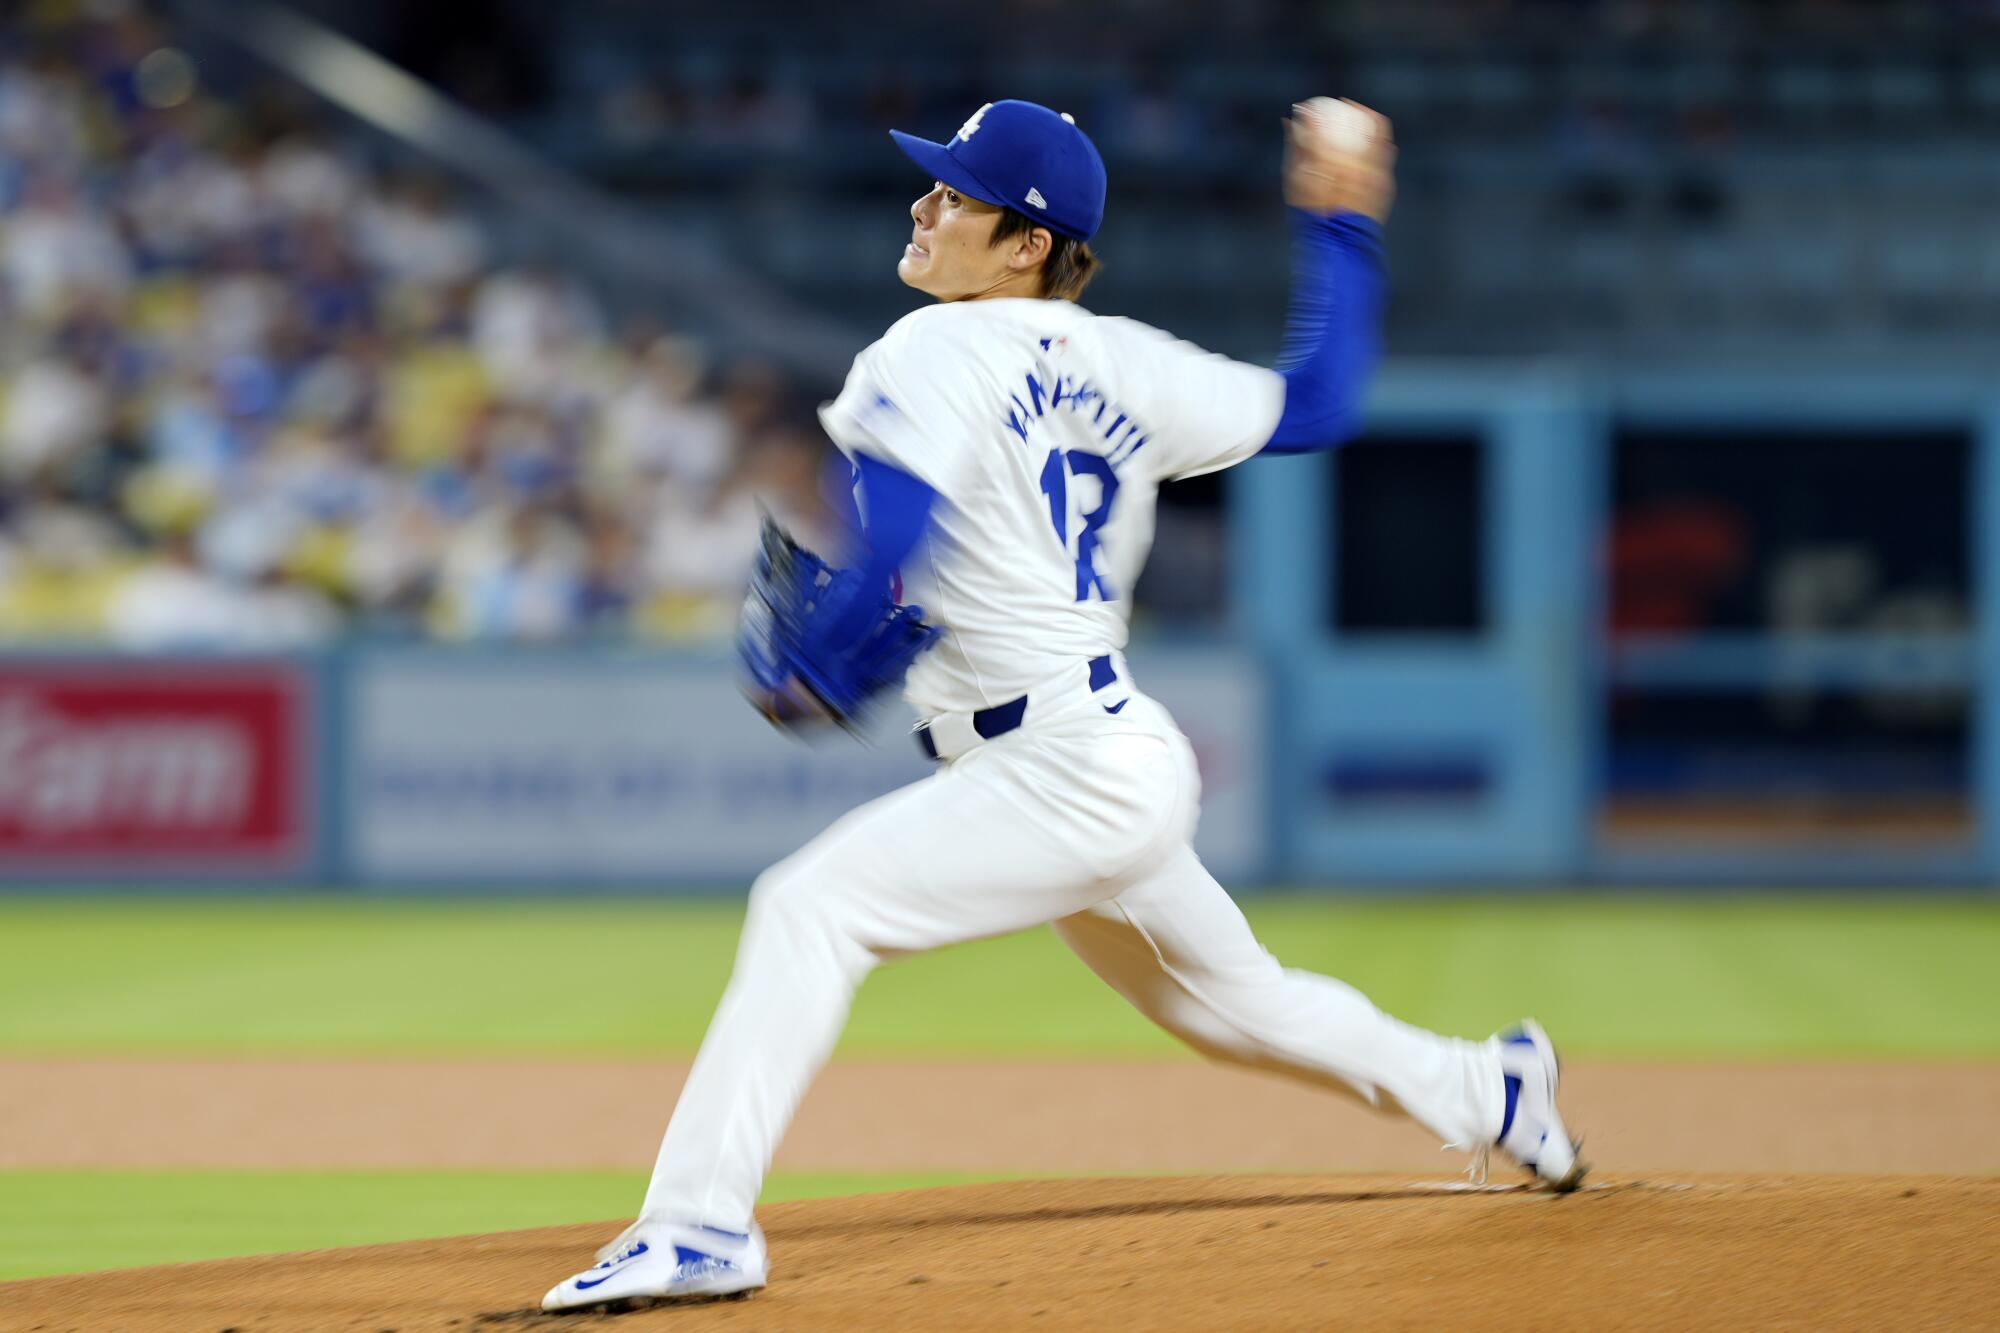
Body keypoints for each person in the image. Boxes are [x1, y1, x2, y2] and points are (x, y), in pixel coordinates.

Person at [541, 96, 1585, 1314]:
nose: (923, 205)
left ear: (1025, 242)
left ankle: (697, 1224)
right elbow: (1320, 402)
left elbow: (892, 539)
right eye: (928, 185)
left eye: (953, 193)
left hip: (1059, 767)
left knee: (806, 906)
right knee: (1234, 1007)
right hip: (1100, 751)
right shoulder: (1127, 362)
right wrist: (1341, 222)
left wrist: (820, 657)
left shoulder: (924, 350)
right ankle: (1486, 1088)